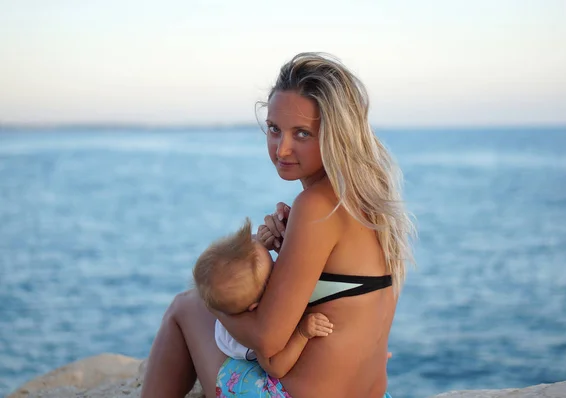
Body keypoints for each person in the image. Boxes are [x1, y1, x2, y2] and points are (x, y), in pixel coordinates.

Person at [141, 52, 413, 398]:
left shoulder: (316, 206)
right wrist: (283, 251)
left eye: (302, 133)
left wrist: (214, 299)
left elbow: (268, 339)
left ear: (336, 135)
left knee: (186, 305)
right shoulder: (369, 200)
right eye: (274, 129)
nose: (281, 148)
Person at [192, 217, 333, 379]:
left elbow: (243, 264)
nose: (280, 267)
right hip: (245, 380)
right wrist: (301, 333)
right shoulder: (259, 323)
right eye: (274, 268)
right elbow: (276, 367)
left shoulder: (244, 294)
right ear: (256, 306)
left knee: (182, 304)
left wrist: (261, 242)